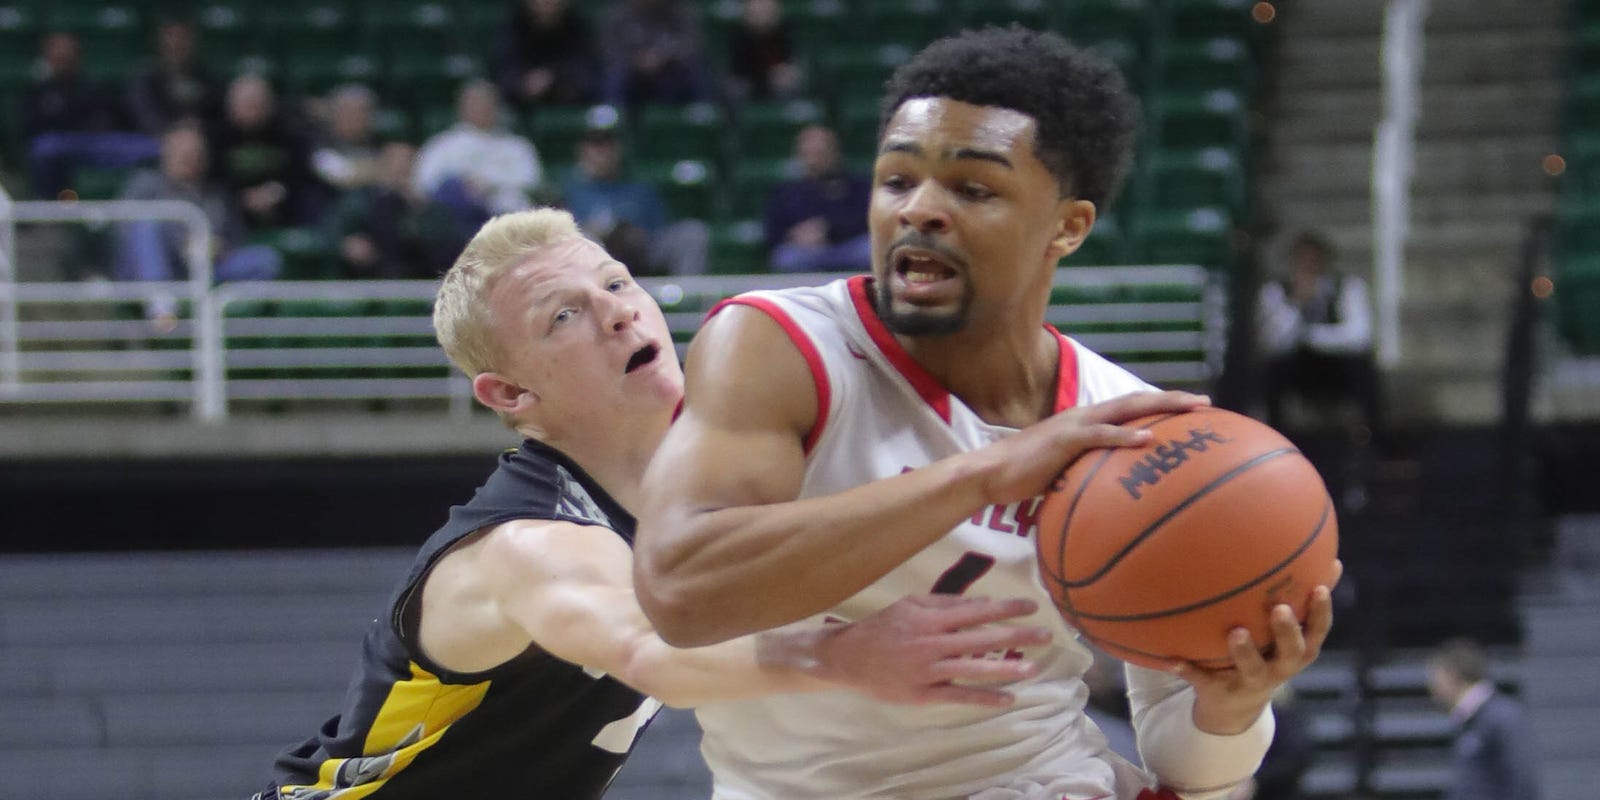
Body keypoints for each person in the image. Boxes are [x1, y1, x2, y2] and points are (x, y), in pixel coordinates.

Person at [635, 28, 1340, 800]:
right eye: (897, 180)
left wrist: (1231, 707)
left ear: (1068, 227)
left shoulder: (1116, 420)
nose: (921, 211)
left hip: (1043, 779)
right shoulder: (783, 345)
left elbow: (1193, 774)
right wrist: (982, 475)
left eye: (973, 189)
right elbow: (680, 592)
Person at [252, 207, 1047, 799]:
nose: (617, 312)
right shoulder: (530, 544)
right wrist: (839, 656)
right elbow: (647, 648)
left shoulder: (712, 486)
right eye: (564, 315)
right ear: (510, 392)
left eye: (615, 281)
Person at [114, 123, 281, 325]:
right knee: (146, 224)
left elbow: (235, 237)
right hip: (158, 267)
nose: (191, 159)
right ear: (167, 154)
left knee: (265, 259)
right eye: (184, 154)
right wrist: (181, 244)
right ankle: (162, 303)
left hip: (206, 268)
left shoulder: (215, 194)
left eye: (196, 154)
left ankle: (226, 317)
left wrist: (219, 246)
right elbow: (123, 231)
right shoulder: (145, 184)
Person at [1256, 231, 1385, 443]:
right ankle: (1274, 441)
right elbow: (1272, 342)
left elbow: (1359, 337)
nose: (1309, 267)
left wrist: (1310, 337)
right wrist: (1296, 303)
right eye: (1303, 260)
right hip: (1297, 369)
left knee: (1363, 367)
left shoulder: (1349, 287)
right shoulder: (1275, 291)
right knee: (1272, 370)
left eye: (1314, 260)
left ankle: (1377, 441)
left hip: (1336, 366)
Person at [24, 31, 157, 200]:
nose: (64, 56)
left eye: (69, 52)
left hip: (98, 142)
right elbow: (33, 128)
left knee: (153, 148)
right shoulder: (39, 90)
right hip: (62, 144)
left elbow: (116, 116)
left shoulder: (93, 86)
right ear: (48, 56)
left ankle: (146, 203)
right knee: (43, 148)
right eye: (59, 52)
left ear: (78, 55)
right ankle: (50, 208)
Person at [560, 125, 708, 276]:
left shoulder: (640, 187)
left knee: (692, 232)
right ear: (582, 152)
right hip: (597, 257)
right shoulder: (571, 191)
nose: (602, 153)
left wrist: (635, 235)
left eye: (608, 145)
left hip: (641, 254)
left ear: (619, 150)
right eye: (596, 146)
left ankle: (687, 297)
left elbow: (659, 230)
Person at [413, 80, 543, 231]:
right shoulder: (441, 145)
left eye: (487, 103)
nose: (481, 109)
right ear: (461, 107)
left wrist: (489, 183)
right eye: (474, 103)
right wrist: (464, 185)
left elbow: (532, 179)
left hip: (510, 221)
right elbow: (424, 184)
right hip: (460, 224)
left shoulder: (517, 146)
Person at [327, 141, 465, 279]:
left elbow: (441, 241)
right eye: (395, 165)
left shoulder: (427, 205)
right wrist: (347, 243)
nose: (400, 171)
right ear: (383, 166)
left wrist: (419, 209)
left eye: (406, 166)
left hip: (417, 274)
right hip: (367, 272)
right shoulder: (361, 198)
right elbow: (332, 228)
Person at [1426, 638, 1543, 800]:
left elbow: (1523, 781)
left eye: (1436, 677)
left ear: (1452, 675)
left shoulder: (1502, 716)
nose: (1432, 687)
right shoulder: (1467, 720)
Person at [207, 73, 321, 230]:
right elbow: (212, 178)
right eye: (247, 105)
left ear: (271, 105)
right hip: (232, 205)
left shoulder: (290, 133)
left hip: (282, 203)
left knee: (311, 197)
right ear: (231, 106)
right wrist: (241, 196)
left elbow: (301, 172)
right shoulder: (215, 137)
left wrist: (278, 191)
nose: (253, 110)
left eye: (259, 104)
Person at [763, 123, 872, 273]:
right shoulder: (787, 191)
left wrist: (829, 230)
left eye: (821, 152)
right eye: (810, 153)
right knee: (785, 256)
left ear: (835, 152)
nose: (816, 159)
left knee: (869, 248)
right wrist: (794, 235)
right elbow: (772, 231)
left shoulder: (858, 185)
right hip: (807, 253)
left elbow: (867, 220)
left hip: (847, 248)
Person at [597, 0, 713, 107]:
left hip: (670, 70)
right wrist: (637, 60)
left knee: (694, 69)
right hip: (631, 72)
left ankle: (702, 113)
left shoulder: (682, 13)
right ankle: (611, 115)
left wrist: (662, 57)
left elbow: (691, 44)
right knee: (615, 73)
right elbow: (611, 49)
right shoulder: (619, 15)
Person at [492, 0, 601, 108]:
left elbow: (583, 71)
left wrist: (552, 77)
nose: (547, 2)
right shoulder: (514, 24)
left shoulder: (577, 24)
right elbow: (507, 67)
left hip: (569, 100)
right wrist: (524, 82)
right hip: (521, 103)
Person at [127, 18, 223, 137]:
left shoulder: (207, 76)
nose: (177, 43)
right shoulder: (147, 78)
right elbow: (144, 114)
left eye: (183, 37)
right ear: (160, 42)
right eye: (171, 36)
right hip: (155, 141)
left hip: (199, 140)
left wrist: (201, 127)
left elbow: (217, 115)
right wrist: (174, 130)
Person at [310, 84, 382, 195]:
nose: (356, 119)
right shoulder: (318, 145)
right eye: (348, 112)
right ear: (333, 115)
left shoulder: (378, 143)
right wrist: (381, 169)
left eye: (363, 112)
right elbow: (343, 176)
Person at [725, 0, 802, 103]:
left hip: (777, 84)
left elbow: (790, 64)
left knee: (787, 82)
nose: (761, 17)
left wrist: (786, 74)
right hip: (747, 82)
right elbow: (736, 71)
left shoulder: (785, 33)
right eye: (756, 13)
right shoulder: (739, 36)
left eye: (766, 12)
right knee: (736, 89)